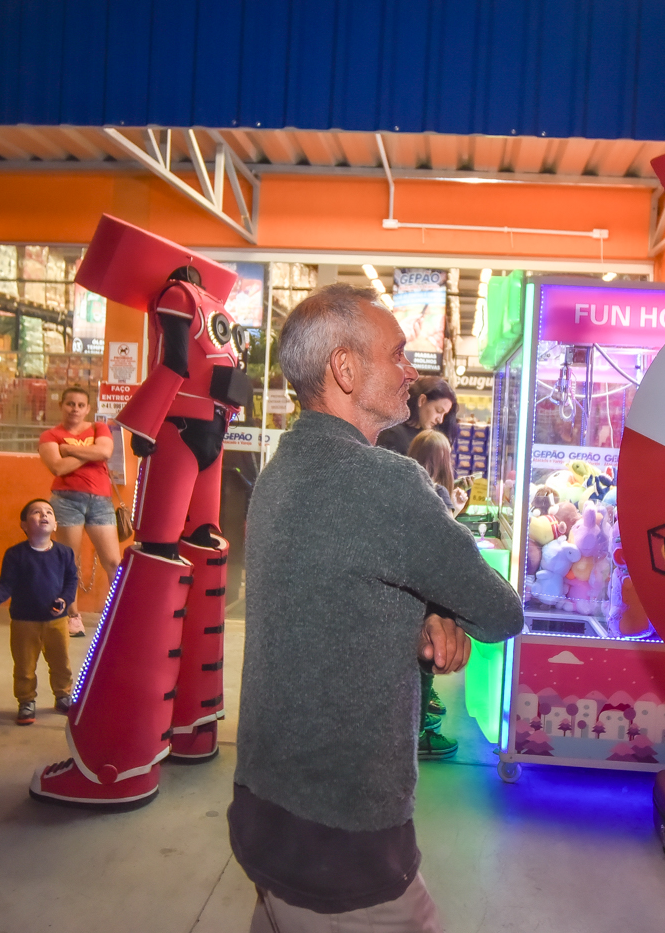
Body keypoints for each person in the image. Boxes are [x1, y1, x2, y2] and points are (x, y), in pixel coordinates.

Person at [231, 284, 523, 929]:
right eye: (396, 354)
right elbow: (501, 612)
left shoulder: (282, 468)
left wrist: (422, 612)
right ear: (344, 368)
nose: (410, 371)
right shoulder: (386, 483)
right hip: (341, 839)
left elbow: (336, 594)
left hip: (266, 809)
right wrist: (442, 607)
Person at [0, 499, 79, 726]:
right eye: (36, 512)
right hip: (24, 621)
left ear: (56, 524)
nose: (44, 515)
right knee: (24, 666)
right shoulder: (15, 554)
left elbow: (71, 582)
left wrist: (64, 600)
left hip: (57, 621)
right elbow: (6, 585)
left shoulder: (65, 553)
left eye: (49, 512)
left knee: (61, 663)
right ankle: (26, 700)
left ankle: (63, 694)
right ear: (24, 524)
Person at [405, 427, 467, 762]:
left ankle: (413, 722)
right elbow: (446, 539)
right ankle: (417, 734)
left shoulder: (404, 487)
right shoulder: (439, 493)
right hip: (429, 593)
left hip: (406, 587)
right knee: (426, 663)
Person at [37, 386, 120, 634]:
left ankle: (117, 612)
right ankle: (72, 615)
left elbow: (105, 451)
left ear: (88, 409)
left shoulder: (98, 428)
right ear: (61, 405)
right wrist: (91, 454)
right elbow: (58, 468)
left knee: (113, 561)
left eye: (80, 405)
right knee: (69, 560)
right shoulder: (50, 435)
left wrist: (70, 450)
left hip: (101, 502)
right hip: (66, 501)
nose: (75, 409)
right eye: (70, 404)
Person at [375, 375, 456, 457]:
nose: (440, 420)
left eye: (444, 414)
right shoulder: (392, 435)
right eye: (438, 410)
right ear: (422, 400)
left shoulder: (430, 438)